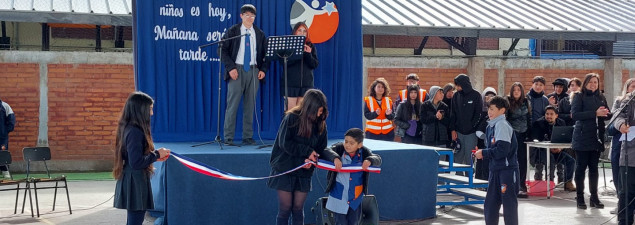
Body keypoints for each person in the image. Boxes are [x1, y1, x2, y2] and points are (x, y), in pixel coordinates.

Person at [268, 89, 339, 225]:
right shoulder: (291, 118)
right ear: (309, 108)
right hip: (285, 168)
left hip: (304, 172)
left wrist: (331, 158)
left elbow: (321, 148)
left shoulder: (320, 124)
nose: (320, 114)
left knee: (298, 208)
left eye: (322, 111)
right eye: (318, 111)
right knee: (285, 209)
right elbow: (285, 143)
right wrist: (306, 153)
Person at [113, 92, 171, 225]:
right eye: (150, 109)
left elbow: (135, 157)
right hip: (135, 180)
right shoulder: (134, 131)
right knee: (135, 221)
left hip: (132, 177)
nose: (151, 113)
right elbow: (136, 162)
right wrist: (156, 155)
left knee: (133, 220)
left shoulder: (127, 127)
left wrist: (154, 157)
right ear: (140, 110)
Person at [220, 4, 270, 146]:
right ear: (241, 16)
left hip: (253, 71)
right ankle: (228, 137)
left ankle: (247, 136)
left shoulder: (259, 34)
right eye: (247, 15)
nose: (250, 18)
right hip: (237, 70)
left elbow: (267, 55)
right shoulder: (234, 31)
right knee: (233, 105)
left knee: (250, 105)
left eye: (252, 15)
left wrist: (263, 70)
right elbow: (222, 50)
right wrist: (231, 68)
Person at [474, 96, 519, 225]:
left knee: (509, 205)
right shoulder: (490, 126)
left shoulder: (502, 125)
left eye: (492, 109)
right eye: (489, 109)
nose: (489, 112)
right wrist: (484, 152)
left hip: (507, 171)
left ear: (502, 110)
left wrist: (484, 153)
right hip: (495, 170)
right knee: (490, 204)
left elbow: (502, 151)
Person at [325, 128, 382, 225]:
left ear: (359, 145)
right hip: (339, 196)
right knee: (340, 222)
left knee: (354, 222)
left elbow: (378, 159)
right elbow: (326, 151)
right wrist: (334, 158)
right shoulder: (339, 148)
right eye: (346, 141)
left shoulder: (364, 152)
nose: (347, 145)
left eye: (351, 143)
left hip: (355, 198)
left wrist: (369, 160)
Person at [571, 73, 610, 210]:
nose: (593, 84)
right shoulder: (578, 96)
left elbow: (606, 114)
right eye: (590, 82)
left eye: (595, 82)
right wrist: (595, 113)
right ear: (585, 83)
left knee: (594, 169)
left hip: (596, 137)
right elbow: (575, 115)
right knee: (580, 169)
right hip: (582, 137)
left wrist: (606, 113)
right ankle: (580, 198)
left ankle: (594, 197)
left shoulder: (601, 97)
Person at [531, 105, 576, 191]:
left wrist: (560, 148)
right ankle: (549, 182)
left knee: (571, 161)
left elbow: (565, 138)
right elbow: (535, 140)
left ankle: (568, 182)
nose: (549, 116)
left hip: (557, 151)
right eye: (547, 114)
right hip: (542, 151)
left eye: (551, 114)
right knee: (550, 158)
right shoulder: (538, 123)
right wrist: (549, 148)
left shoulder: (561, 123)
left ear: (556, 115)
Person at [608, 78, 635, 214]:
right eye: (632, 87)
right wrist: (621, 126)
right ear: (627, 88)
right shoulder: (622, 102)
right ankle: (621, 203)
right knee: (619, 175)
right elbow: (613, 123)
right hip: (621, 143)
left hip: (632, 146)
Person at [449, 74, 482, 175]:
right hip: (459, 131)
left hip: (471, 133)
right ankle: (459, 180)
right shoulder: (456, 96)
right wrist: (453, 129)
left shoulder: (476, 95)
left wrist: (472, 126)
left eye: (459, 85)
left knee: (469, 157)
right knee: (458, 156)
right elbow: (453, 114)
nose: (457, 88)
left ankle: (469, 179)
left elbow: (478, 114)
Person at [284, 22, 318, 110]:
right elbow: (285, 63)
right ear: (295, 32)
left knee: (302, 114)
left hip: (306, 85)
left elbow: (314, 65)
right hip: (291, 85)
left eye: (304, 31)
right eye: (300, 30)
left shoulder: (311, 46)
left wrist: (308, 54)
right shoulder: (288, 45)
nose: (302, 33)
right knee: (290, 114)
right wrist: (297, 52)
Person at [505, 82, 531, 197]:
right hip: (512, 134)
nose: (516, 92)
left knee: (523, 160)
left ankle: (521, 184)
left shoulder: (526, 101)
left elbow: (529, 118)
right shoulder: (507, 102)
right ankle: (510, 184)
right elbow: (506, 119)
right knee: (511, 159)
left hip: (524, 134)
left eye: (518, 90)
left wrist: (529, 134)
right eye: (514, 90)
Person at [615, 90, 635, 225]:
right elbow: (617, 116)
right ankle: (624, 221)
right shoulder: (628, 100)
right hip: (630, 153)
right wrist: (621, 124)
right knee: (626, 192)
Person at [527, 76, 550, 181]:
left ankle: (538, 176)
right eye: (536, 84)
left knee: (540, 153)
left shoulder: (545, 100)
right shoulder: (526, 97)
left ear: (544, 87)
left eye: (541, 85)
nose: (538, 87)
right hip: (527, 129)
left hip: (540, 130)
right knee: (528, 154)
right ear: (532, 84)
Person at [475, 87, 497, 181]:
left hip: (492, 141)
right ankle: (479, 180)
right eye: (487, 96)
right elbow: (477, 127)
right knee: (480, 161)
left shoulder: (497, 113)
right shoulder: (480, 111)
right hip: (481, 142)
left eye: (492, 96)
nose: (490, 98)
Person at [0, 98, 16, 178]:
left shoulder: (4, 106)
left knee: (2, 153)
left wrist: (4, 131)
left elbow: (11, 120)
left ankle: (5, 172)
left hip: (1, 137)